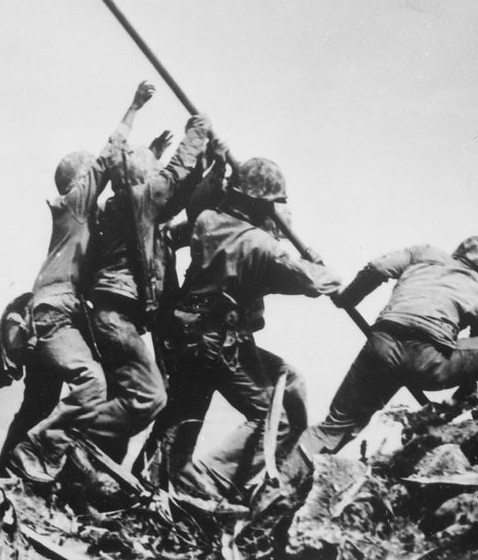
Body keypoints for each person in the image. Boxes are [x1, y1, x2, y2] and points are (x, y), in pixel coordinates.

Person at [135, 157, 341, 499]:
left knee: (185, 413)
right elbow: (319, 282)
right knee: (280, 418)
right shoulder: (262, 247)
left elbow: (174, 235)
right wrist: (317, 263)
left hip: (188, 332)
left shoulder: (207, 220)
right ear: (260, 204)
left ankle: (151, 479)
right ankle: (211, 482)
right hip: (219, 343)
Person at [3, 80, 154, 484]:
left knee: (37, 402)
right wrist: (134, 108)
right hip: (56, 312)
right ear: (79, 182)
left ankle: (4, 474)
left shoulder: (80, 218)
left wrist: (148, 154)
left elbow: (119, 178)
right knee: (92, 383)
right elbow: (106, 159)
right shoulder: (75, 205)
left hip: (52, 314)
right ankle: (39, 452)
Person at [82, 112, 213, 462]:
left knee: (123, 402)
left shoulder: (133, 214)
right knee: (148, 397)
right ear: (141, 176)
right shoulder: (138, 199)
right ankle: (66, 435)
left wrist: (211, 169)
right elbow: (173, 179)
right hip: (118, 319)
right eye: (151, 170)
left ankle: (93, 474)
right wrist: (196, 134)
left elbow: (184, 198)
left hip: (118, 318)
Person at [302, 236, 478, 456]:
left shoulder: (424, 253)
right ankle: (446, 413)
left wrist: (347, 299)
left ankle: (280, 469)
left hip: (381, 347)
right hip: (428, 361)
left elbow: (377, 268)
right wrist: (454, 407)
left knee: (335, 427)